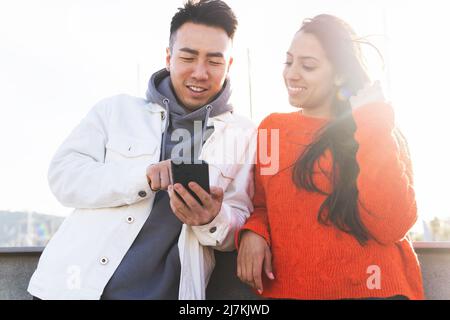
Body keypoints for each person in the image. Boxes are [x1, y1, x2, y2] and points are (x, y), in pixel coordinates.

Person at [28, 0, 255, 300]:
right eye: (188, 57)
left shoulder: (245, 135)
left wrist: (212, 219)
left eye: (214, 61)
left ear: (229, 65)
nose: (200, 72)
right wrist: (143, 177)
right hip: (69, 290)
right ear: (168, 57)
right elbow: (63, 177)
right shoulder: (116, 110)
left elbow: (238, 220)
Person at [236, 14, 424, 300]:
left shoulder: (377, 126)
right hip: (292, 292)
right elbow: (262, 202)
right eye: (288, 62)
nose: (292, 73)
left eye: (308, 65)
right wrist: (254, 232)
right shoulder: (272, 129)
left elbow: (391, 225)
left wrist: (371, 123)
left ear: (339, 74)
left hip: (376, 292)